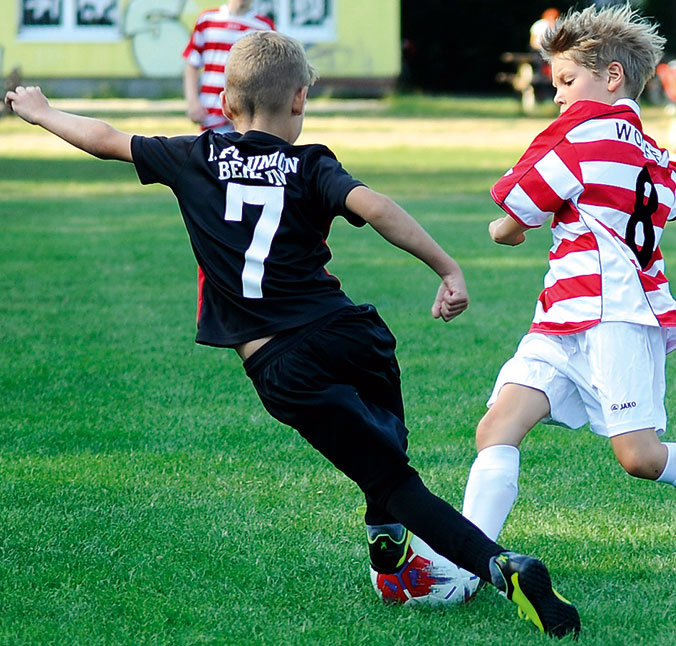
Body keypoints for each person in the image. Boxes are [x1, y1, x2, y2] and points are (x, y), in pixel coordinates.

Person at [5, 31, 581, 639]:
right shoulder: (311, 164)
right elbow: (378, 206)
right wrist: (447, 268)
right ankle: (389, 561)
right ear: (301, 100)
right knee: (382, 448)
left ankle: (501, 567)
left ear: (226, 106)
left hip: (284, 363)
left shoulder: (193, 156)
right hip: (354, 334)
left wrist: (41, 113)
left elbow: (106, 140)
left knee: (388, 477)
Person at [460, 4, 676, 566]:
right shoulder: (647, 152)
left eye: (567, 81)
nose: (559, 97)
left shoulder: (581, 139)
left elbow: (513, 218)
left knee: (640, 457)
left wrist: (507, 228)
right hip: (561, 318)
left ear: (611, 78)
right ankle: (469, 562)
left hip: (617, 316)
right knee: (498, 426)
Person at [183, 0, 274, 133]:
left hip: (244, 119)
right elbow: (192, 62)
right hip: (210, 117)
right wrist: (192, 102)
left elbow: (268, 75)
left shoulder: (264, 27)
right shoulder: (207, 20)